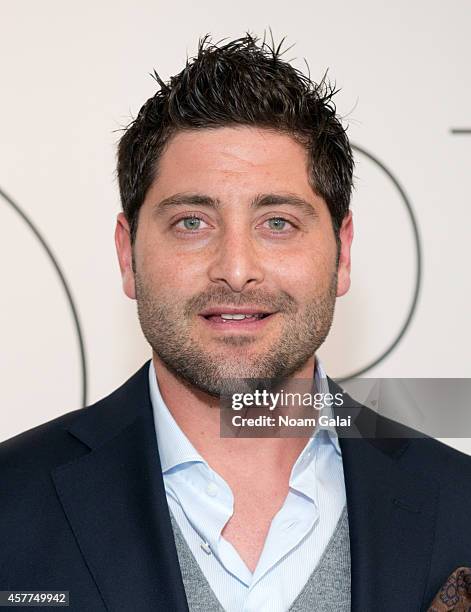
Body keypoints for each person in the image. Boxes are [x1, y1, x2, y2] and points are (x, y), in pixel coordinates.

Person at [1, 33, 471, 612]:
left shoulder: (459, 504)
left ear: (342, 254)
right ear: (128, 255)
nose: (236, 269)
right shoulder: (10, 505)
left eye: (277, 222)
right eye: (192, 222)